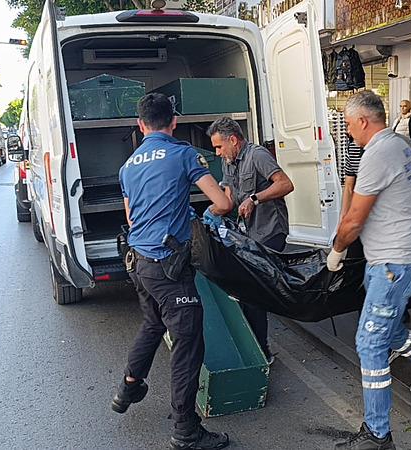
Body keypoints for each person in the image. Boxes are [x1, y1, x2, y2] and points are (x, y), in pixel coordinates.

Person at [329, 91, 411, 450]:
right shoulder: (401, 143)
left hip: (393, 265)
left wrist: (336, 251)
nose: (349, 132)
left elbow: (354, 218)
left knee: (370, 343)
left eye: (350, 125)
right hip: (398, 260)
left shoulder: (378, 154)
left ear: (364, 121)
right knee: (391, 331)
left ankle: (378, 435)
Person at [111, 93, 232, 450]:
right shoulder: (183, 155)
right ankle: (186, 430)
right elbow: (222, 203)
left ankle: (129, 387)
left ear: (141, 125)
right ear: (174, 122)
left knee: (152, 324)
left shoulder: (128, 165)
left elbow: (132, 218)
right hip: (169, 266)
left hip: (139, 263)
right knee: (188, 343)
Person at [206, 117, 294, 363]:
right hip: (248, 234)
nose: (217, 152)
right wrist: (211, 212)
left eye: (219, 147)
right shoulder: (229, 161)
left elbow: (286, 184)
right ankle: (254, 345)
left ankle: (261, 352)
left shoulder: (258, 155)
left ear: (233, 140)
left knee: (254, 293)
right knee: (246, 292)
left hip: (270, 232)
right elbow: (229, 199)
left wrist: (255, 198)